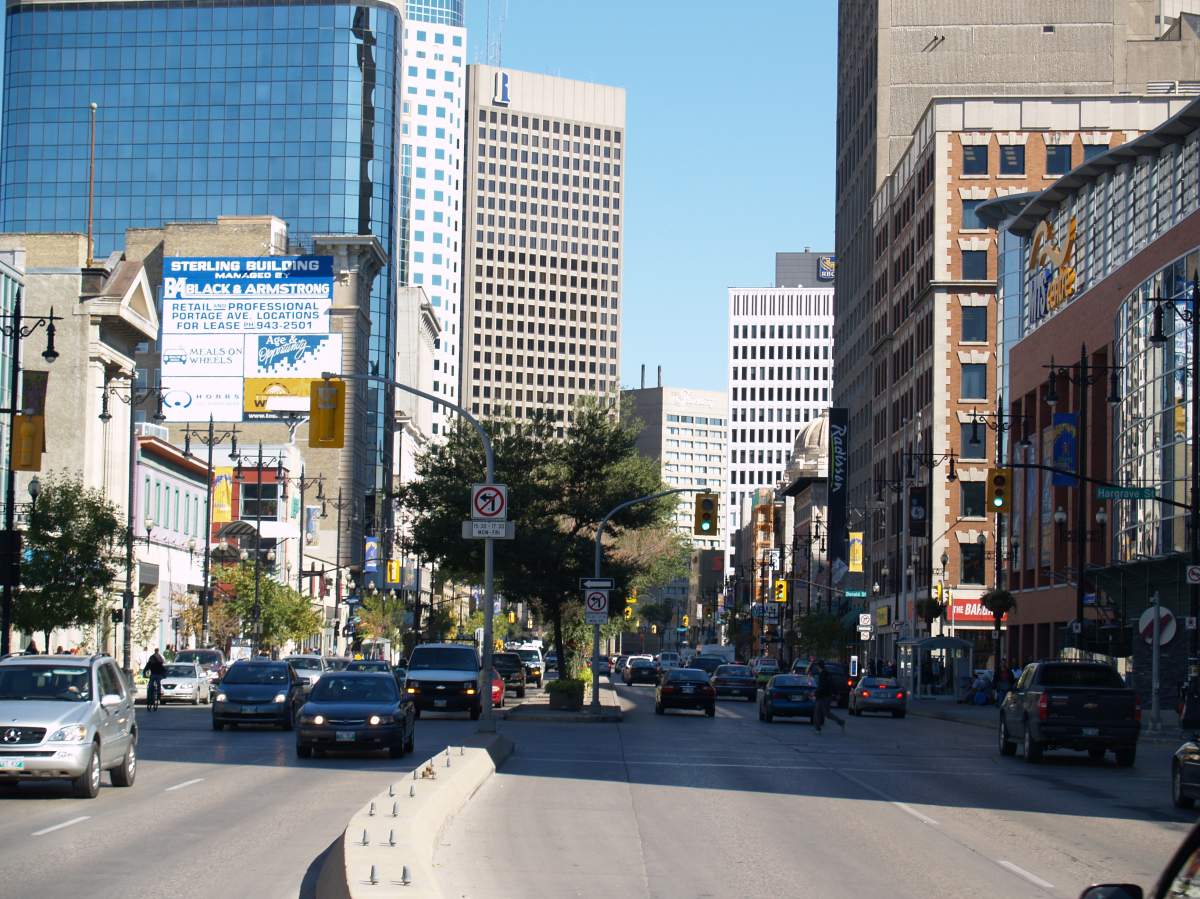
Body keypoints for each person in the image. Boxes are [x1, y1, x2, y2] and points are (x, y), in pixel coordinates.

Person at [812, 660, 846, 734]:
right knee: (820, 712)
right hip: (825, 696)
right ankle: (818, 728)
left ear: (819, 666)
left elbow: (822, 686)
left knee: (823, 713)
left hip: (823, 696)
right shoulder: (825, 674)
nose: (816, 667)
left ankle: (840, 722)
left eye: (817, 666)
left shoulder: (823, 675)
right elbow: (832, 684)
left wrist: (815, 693)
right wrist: (836, 693)